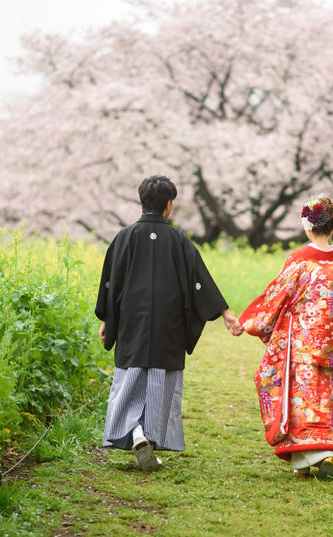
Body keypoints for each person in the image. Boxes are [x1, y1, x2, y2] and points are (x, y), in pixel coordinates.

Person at [95, 175, 243, 471]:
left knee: (129, 380)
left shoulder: (124, 236)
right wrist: (225, 313)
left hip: (131, 323)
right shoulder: (178, 240)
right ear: (169, 206)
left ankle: (135, 433)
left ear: (142, 202)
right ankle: (147, 436)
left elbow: (110, 283)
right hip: (169, 324)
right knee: (160, 385)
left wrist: (106, 320)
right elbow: (199, 279)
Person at [239, 194, 333, 477]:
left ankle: (308, 459)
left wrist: (248, 322)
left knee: (304, 397)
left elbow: (275, 298)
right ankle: (330, 452)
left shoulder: (298, 260)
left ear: (308, 227)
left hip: (303, 343)